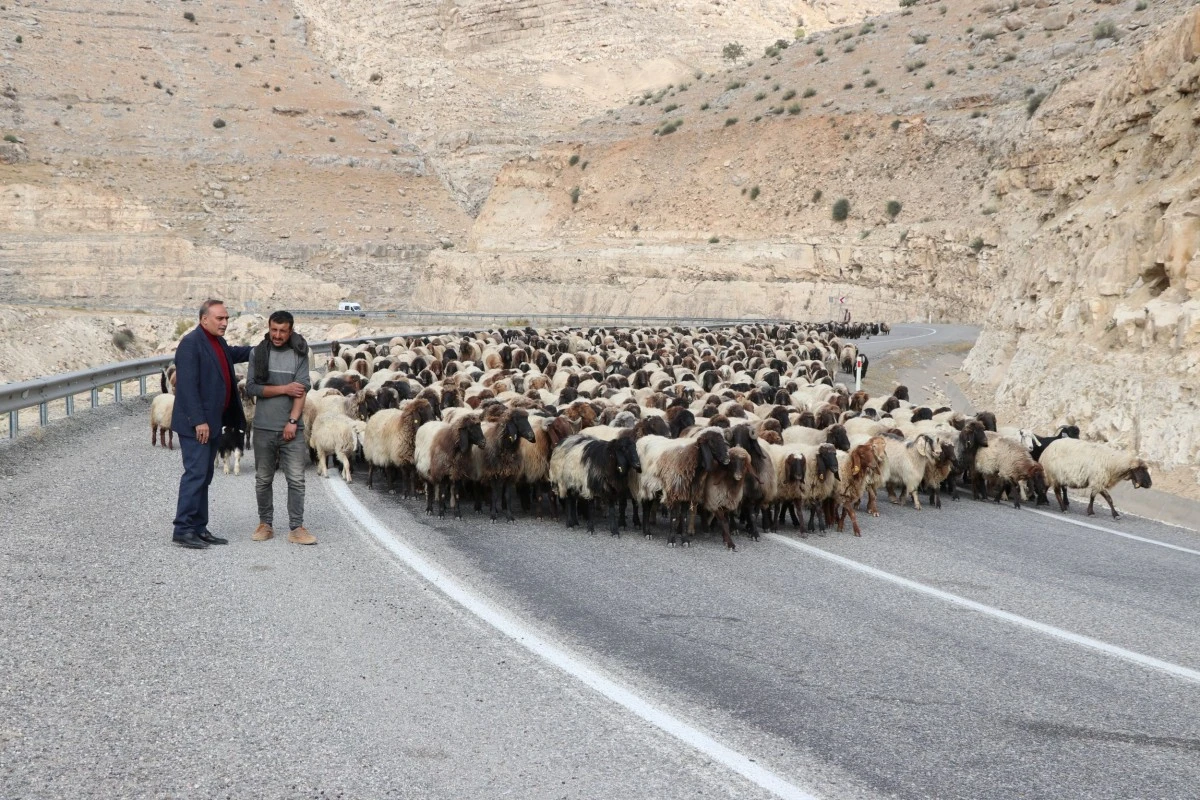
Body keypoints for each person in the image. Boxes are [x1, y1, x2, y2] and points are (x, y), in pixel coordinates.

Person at [170, 299, 252, 549]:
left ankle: (199, 527)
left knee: (204, 475)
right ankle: (183, 529)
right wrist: (199, 421)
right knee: (195, 474)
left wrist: (264, 347)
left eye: (226, 318)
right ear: (204, 319)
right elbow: (187, 387)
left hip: (214, 423)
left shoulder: (217, 342)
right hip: (199, 425)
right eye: (220, 318)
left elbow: (234, 354)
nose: (225, 322)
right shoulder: (191, 344)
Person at [244, 310, 315, 545]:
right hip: (264, 426)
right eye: (273, 329)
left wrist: (293, 421)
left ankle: (297, 527)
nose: (277, 335)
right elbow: (252, 388)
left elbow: (301, 389)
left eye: (282, 331)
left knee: (296, 479)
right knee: (263, 478)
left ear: (290, 330)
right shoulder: (258, 353)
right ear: (269, 327)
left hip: (292, 428)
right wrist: (284, 388)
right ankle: (265, 524)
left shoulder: (300, 354)